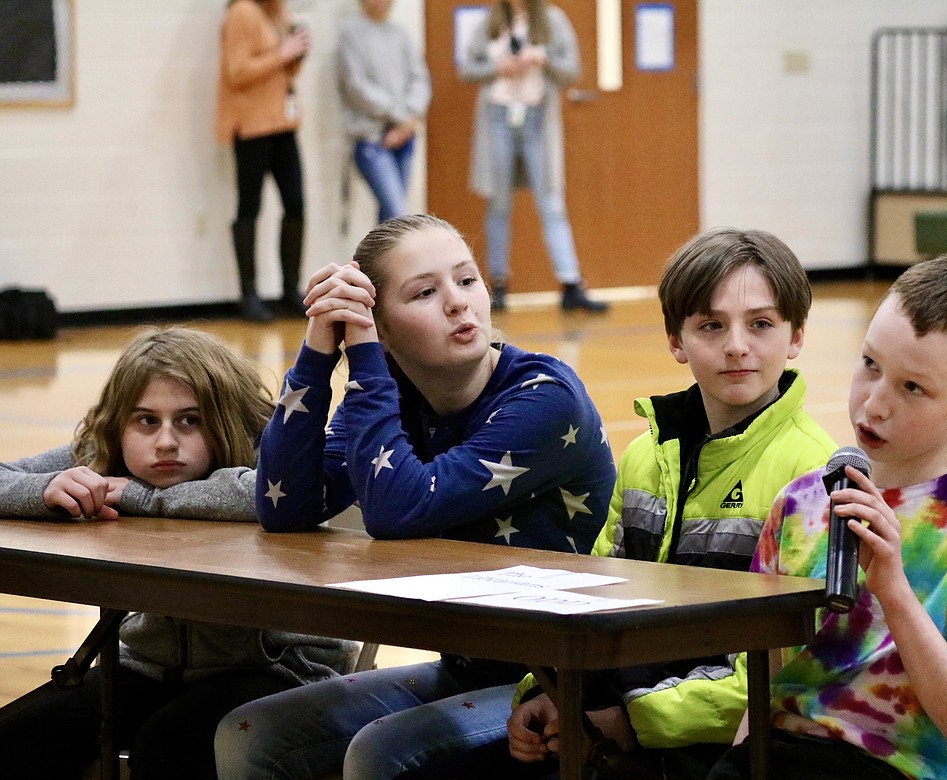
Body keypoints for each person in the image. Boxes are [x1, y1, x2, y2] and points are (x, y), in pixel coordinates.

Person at [394, 226, 838, 780]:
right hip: (609, 725)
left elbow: (793, 671)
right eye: (711, 325)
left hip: (714, 749)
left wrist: (632, 721)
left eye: (762, 324)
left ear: (796, 336)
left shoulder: (811, 475)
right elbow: (594, 604)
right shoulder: (645, 458)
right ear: (676, 340)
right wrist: (550, 691)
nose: (737, 345)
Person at [213, 213, 616, 780]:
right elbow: (284, 508)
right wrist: (317, 351)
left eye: (468, 280)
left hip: (553, 684)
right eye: (425, 292)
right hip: (465, 669)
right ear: (384, 327)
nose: (458, 304)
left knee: (379, 753)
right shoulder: (392, 395)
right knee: (248, 736)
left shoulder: (545, 399)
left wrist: (367, 364)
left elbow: (399, 509)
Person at [705, 254, 947, 780]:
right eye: (870, 365)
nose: (875, 403)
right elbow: (764, 683)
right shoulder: (800, 502)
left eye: (913, 387)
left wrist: (892, 588)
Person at [0, 327, 359, 780]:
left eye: (189, 420)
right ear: (119, 426)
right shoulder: (105, 457)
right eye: (146, 421)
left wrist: (144, 498)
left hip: (280, 670)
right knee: (19, 738)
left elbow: (271, 497)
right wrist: (44, 488)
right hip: (149, 667)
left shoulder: (274, 455)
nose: (166, 441)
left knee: (166, 748)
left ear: (223, 418)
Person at [459, 0, 608, 313]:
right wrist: (499, 67)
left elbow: (572, 70)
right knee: (498, 203)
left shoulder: (552, 19)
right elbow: (466, 68)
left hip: (537, 118)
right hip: (497, 118)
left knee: (551, 202)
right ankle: (497, 284)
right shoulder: (490, 21)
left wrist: (542, 58)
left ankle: (570, 284)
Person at [216, 0, 311, 323]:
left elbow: (283, 70)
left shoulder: (278, 12)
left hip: (283, 124)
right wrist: (281, 54)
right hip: (252, 127)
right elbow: (237, 71)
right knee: (249, 207)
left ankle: (289, 290)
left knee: (295, 204)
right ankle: (249, 294)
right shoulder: (242, 12)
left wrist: (296, 54)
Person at [338, 0, 432, 224]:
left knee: (389, 221)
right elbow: (357, 87)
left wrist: (408, 121)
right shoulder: (351, 37)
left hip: (405, 137)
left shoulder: (401, 34)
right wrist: (402, 117)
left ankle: (380, 260)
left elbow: (420, 80)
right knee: (397, 213)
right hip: (372, 140)